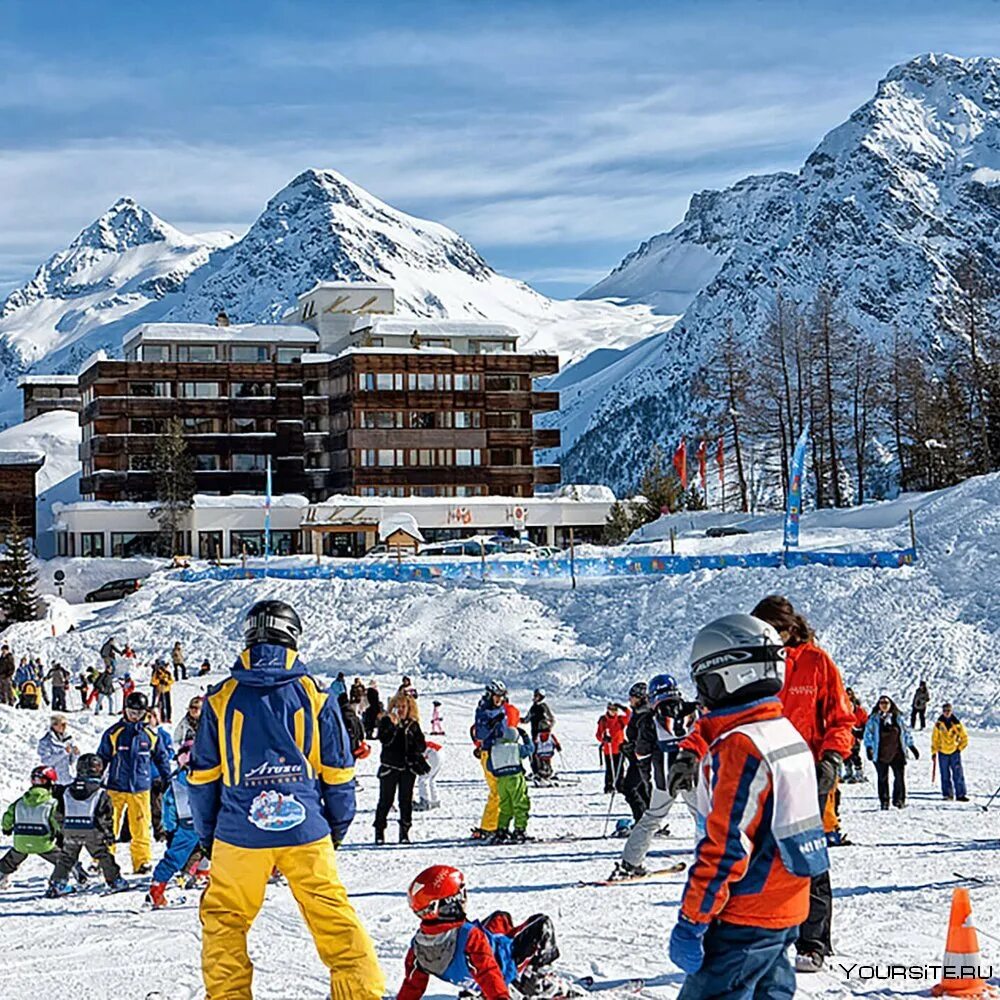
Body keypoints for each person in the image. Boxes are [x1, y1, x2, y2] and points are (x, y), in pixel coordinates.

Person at [188, 599, 384, 1000]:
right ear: (293, 637)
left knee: (225, 918)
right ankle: (361, 994)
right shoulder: (315, 695)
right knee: (331, 915)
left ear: (249, 635)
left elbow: (203, 777)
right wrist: (336, 829)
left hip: (238, 833)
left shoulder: (221, 698)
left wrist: (208, 836)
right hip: (305, 830)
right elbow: (339, 773)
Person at [669, 613, 830, 998]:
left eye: (703, 683)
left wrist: (692, 919)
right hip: (787, 903)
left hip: (746, 914)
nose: (702, 696)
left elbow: (726, 848)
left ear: (726, 675)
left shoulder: (741, 747)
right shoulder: (782, 730)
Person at [749, 595, 854, 971]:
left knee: (808, 858)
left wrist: (831, 757)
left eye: (775, 632)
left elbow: (841, 719)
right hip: (760, 774)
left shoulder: (817, 662)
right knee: (757, 859)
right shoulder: (753, 662)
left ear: (790, 628)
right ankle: (764, 938)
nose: (771, 640)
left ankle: (813, 943)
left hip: (807, 773)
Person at [398, 865, 562, 1000]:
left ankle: (476, 990)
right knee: (541, 923)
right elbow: (487, 971)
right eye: (460, 895)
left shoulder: (419, 945)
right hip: (505, 962)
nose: (464, 900)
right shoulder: (469, 936)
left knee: (500, 917)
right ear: (448, 904)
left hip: (473, 973)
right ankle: (536, 981)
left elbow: (413, 985)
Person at [610, 674, 697, 881]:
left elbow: (642, 753)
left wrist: (646, 775)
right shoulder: (693, 711)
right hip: (693, 772)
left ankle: (630, 864)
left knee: (651, 820)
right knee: (704, 818)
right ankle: (715, 860)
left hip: (664, 777)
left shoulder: (650, 719)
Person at [97, 691, 172, 874]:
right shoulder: (115, 732)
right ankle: (103, 860)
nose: (135, 716)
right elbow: (102, 757)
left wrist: (166, 779)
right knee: (109, 825)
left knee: (140, 828)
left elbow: (162, 758)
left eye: (139, 713)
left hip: (140, 788)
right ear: (125, 710)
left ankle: (142, 862)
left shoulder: (150, 735)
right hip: (115, 787)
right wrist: (95, 778)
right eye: (132, 712)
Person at [46, 754, 128, 897]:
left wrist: (61, 831)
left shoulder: (66, 790)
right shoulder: (101, 792)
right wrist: (108, 835)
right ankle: (115, 881)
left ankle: (57, 884)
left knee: (67, 858)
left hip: (70, 829)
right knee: (102, 855)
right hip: (92, 830)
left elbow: (58, 813)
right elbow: (106, 817)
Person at [147, 740, 200, 908]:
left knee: (174, 857)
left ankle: (157, 887)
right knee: (226, 854)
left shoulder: (176, 782)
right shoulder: (211, 777)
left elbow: (168, 806)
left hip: (186, 825)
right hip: (210, 824)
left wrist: (170, 828)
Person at [374, 693, 427, 845]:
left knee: (406, 801)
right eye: (398, 706)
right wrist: (392, 726)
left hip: (407, 768)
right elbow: (384, 740)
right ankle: (379, 831)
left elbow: (421, 745)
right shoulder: (386, 721)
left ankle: (404, 832)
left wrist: (415, 753)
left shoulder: (413, 724)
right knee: (385, 800)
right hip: (390, 767)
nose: (401, 710)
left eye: (404, 707)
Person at [0, 766, 63, 889]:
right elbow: (56, 822)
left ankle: (1, 877)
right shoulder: (52, 803)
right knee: (64, 861)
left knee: (10, 860)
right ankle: (79, 878)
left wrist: (6, 828)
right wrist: (59, 834)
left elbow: (8, 816)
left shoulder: (20, 802)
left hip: (21, 843)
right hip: (44, 843)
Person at [472, 679, 519, 840]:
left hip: (501, 752)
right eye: (496, 696)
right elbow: (479, 734)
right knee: (496, 791)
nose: (499, 699)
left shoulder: (502, 710)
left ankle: (500, 825)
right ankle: (488, 827)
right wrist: (491, 723)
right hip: (489, 752)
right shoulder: (483, 711)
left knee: (504, 791)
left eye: (501, 696)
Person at [864, 695, 918, 809]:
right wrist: (869, 747)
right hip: (881, 753)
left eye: (886, 703)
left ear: (891, 704)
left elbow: (905, 732)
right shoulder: (874, 719)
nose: (884, 705)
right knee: (882, 778)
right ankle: (884, 801)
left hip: (897, 752)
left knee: (899, 777)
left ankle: (899, 800)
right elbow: (868, 734)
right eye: (881, 703)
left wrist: (911, 746)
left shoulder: (898, 718)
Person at [488, 726, 533, 844]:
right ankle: (519, 829)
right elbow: (530, 749)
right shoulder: (515, 747)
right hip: (515, 778)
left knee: (505, 806)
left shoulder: (494, 749)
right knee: (520, 804)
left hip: (501, 781)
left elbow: (489, 766)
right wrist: (526, 737)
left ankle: (502, 829)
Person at [620, 681, 655, 823]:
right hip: (636, 757)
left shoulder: (645, 714)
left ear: (640, 698)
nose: (630, 700)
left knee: (629, 788)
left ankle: (643, 821)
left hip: (643, 758)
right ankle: (649, 820)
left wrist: (632, 746)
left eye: (633, 697)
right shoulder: (638, 712)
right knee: (640, 789)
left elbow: (646, 738)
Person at [931, 703, 969, 802]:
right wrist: (934, 751)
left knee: (958, 773)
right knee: (945, 774)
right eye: (945, 711)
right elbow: (935, 739)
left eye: (948, 710)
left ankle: (960, 794)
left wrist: (959, 748)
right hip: (942, 752)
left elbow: (964, 737)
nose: (946, 712)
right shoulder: (939, 724)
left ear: (951, 711)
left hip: (954, 752)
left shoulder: (956, 724)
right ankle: (947, 794)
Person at [37, 714, 80, 792]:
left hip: (69, 779)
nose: (64, 727)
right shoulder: (46, 742)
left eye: (65, 724)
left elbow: (71, 761)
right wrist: (63, 753)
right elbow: (46, 761)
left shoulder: (68, 739)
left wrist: (75, 754)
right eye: (62, 724)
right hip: (55, 781)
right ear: (54, 725)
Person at [596, 702, 629, 794]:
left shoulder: (620, 720)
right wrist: (604, 739)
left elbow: (630, 715)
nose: (613, 712)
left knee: (620, 769)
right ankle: (609, 786)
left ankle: (620, 786)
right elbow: (598, 735)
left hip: (619, 749)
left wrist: (623, 707)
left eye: (615, 710)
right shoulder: (603, 721)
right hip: (608, 750)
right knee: (610, 769)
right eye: (611, 710)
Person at [843, 688, 869, 783]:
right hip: (845, 735)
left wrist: (862, 732)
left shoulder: (859, 710)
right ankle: (848, 772)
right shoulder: (841, 707)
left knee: (855, 754)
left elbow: (865, 722)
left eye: (849, 694)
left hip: (855, 735)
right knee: (845, 755)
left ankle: (859, 773)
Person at [415, 739, 442, 811]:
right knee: (431, 778)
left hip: (432, 754)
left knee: (423, 778)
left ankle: (425, 802)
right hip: (440, 752)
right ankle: (435, 800)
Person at [151, 658, 174, 722]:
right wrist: (159, 681)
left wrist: (167, 682)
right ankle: (162, 718)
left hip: (167, 690)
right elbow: (153, 681)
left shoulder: (168, 673)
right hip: (160, 690)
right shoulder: (157, 673)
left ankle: (169, 717)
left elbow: (172, 681)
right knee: (161, 705)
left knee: (168, 704)